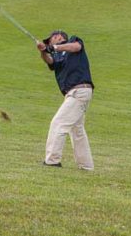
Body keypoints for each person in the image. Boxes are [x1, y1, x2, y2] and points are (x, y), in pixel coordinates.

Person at [36, 30, 94, 170]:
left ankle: (52, 161)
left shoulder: (73, 41)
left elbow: (76, 47)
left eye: (50, 41)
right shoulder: (57, 56)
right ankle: (86, 166)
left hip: (79, 91)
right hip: (74, 93)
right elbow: (50, 62)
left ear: (57, 37)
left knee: (58, 123)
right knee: (77, 130)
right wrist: (43, 51)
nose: (49, 44)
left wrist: (53, 47)